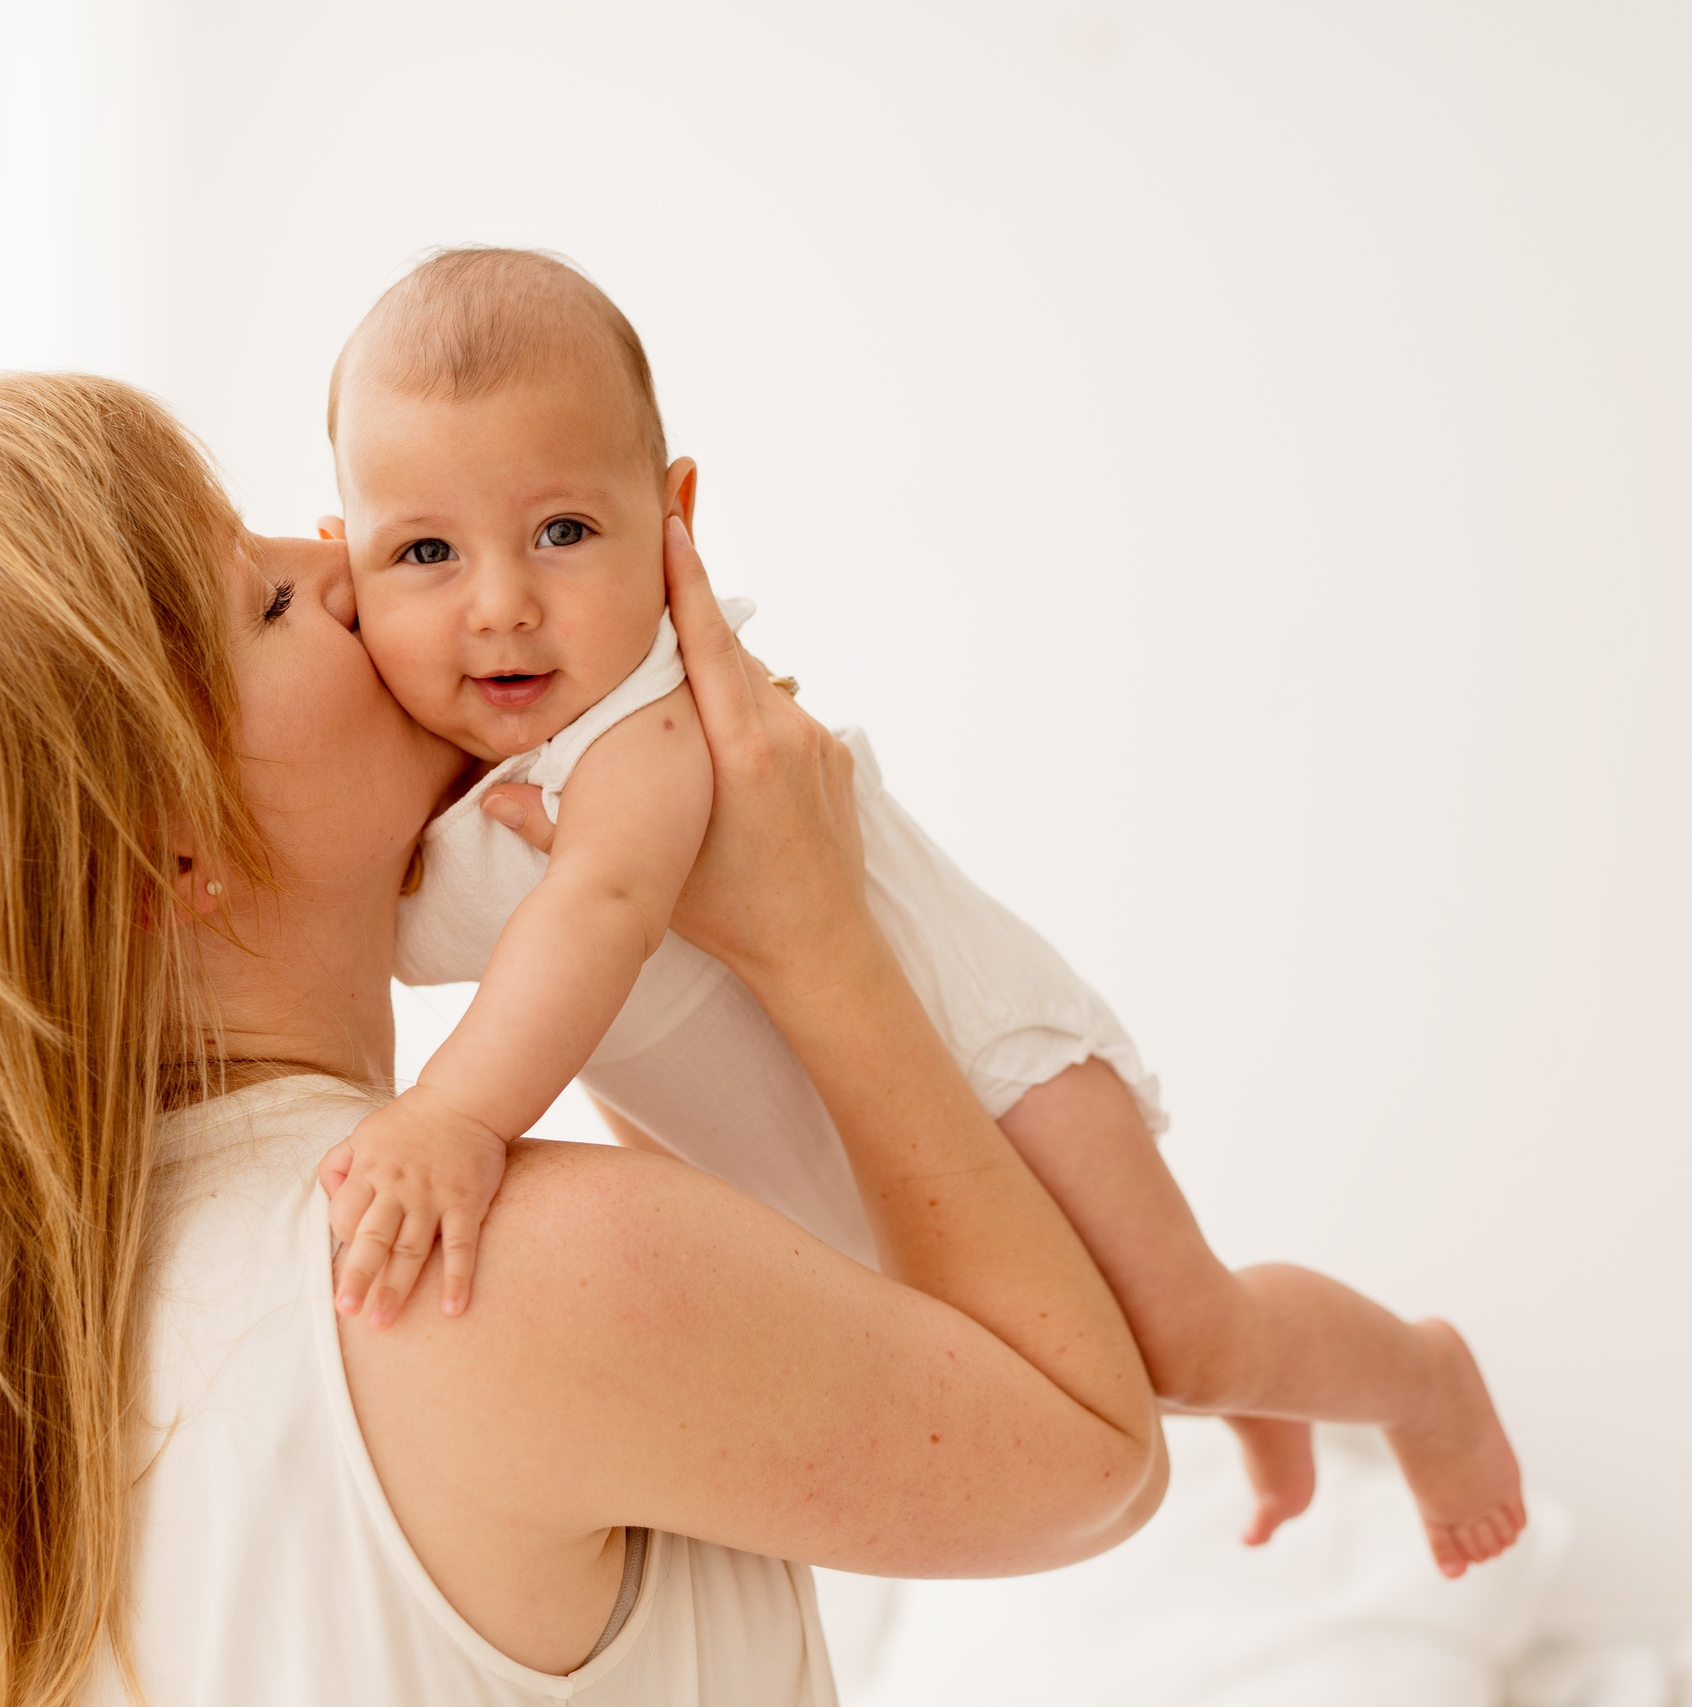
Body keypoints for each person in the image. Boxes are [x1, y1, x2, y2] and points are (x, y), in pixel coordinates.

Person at [0, 372, 1164, 1707]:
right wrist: (815, 935)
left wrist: (636, 909)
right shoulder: (492, 1272)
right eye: (269, 600)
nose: (352, 564)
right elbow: (1095, 1452)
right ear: (162, 858)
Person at [319, 246, 1525, 1570]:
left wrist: (456, 1115)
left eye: (564, 532)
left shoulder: (644, 719)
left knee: (1187, 1337)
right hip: (829, 1145)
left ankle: (1421, 1380)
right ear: (345, 568)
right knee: (1076, 1339)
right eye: (426, 551)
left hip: (974, 1055)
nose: (501, 605)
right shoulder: (428, 765)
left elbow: (600, 908)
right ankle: (1265, 1395)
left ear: (674, 519)